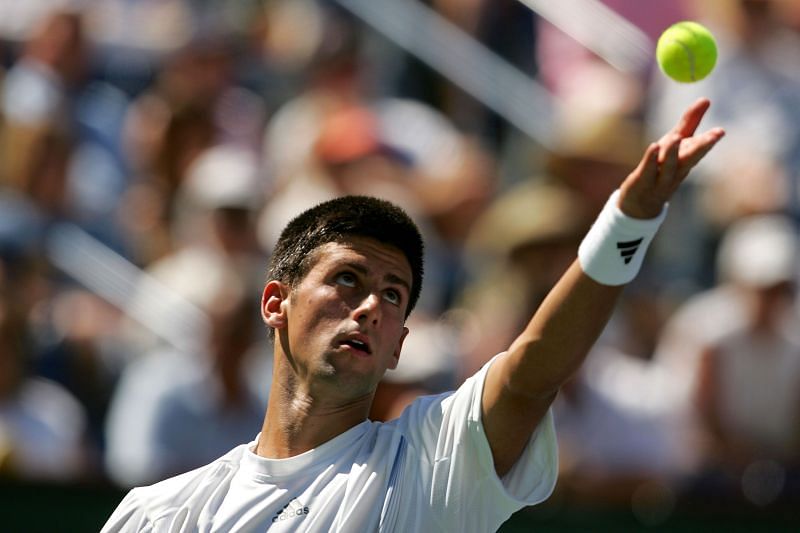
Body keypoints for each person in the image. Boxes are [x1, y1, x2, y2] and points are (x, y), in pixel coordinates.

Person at [101, 98, 724, 531]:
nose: (372, 305)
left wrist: (628, 220)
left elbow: (534, 371)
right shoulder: (162, 515)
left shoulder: (431, 464)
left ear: (399, 346)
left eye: (395, 295)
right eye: (348, 279)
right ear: (275, 304)